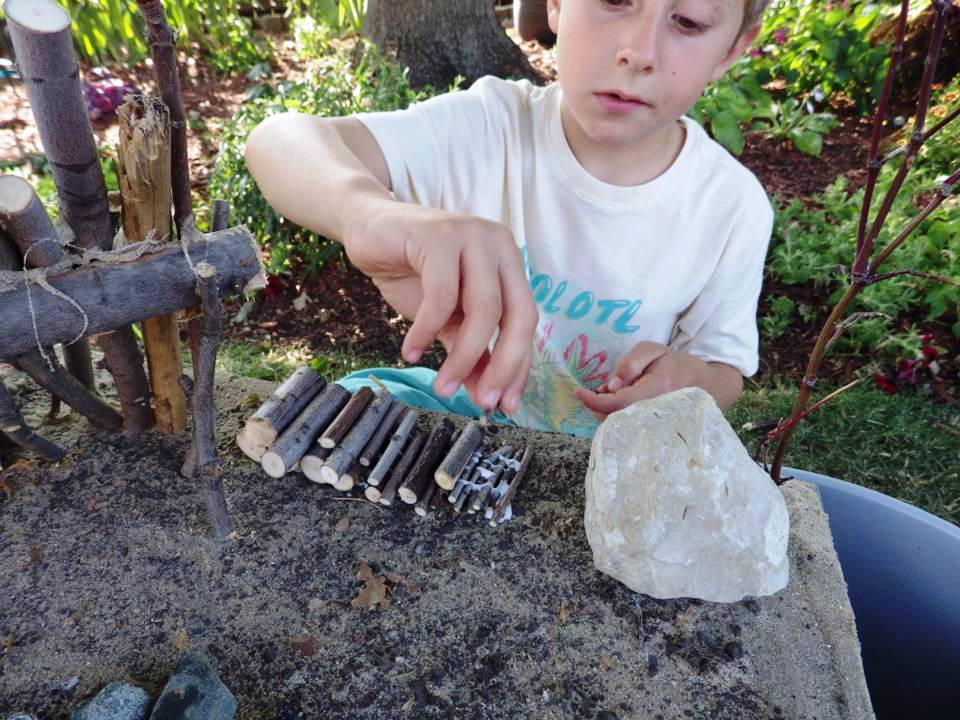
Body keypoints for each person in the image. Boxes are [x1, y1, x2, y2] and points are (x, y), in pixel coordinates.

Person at [245, 0, 773, 439]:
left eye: (688, 22)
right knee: (350, 409)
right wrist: (366, 213)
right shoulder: (490, 127)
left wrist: (690, 382)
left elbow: (723, 369)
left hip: (619, 459)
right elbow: (279, 140)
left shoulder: (731, 208)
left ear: (732, 49)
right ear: (556, 5)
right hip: (474, 415)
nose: (639, 52)